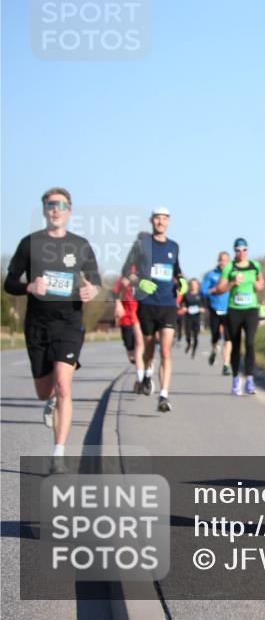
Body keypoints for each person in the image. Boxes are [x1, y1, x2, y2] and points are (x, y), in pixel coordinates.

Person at [3, 188, 102, 473]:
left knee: (64, 385)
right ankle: (50, 404)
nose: (55, 209)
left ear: (69, 210)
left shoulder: (80, 245)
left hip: (69, 322)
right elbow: (9, 282)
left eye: (60, 205)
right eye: (50, 205)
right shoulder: (30, 244)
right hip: (37, 324)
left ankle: (58, 454)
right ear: (45, 209)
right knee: (44, 391)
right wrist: (29, 287)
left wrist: (91, 290)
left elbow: (94, 281)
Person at [122, 207, 187, 413]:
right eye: (157, 218)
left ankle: (164, 396)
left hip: (168, 304)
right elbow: (126, 272)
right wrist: (139, 282)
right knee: (149, 348)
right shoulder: (142, 244)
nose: (161, 222)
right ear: (152, 220)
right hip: (147, 303)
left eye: (164, 218)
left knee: (166, 350)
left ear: (169, 221)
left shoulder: (174, 246)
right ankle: (148, 373)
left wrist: (182, 280)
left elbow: (176, 270)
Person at [217, 238, 264, 396]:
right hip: (234, 310)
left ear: (248, 250)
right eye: (238, 250)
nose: (241, 253)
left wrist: (258, 285)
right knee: (235, 346)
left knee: (250, 343)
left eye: (244, 250)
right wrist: (232, 283)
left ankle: (250, 379)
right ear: (234, 251)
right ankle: (236, 378)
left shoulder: (255, 265)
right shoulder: (229, 267)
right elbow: (220, 289)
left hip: (251, 309)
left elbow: (261, 283)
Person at [112, 267, 147, 391]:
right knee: (131, 352)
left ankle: (142, 379)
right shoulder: (123, 279)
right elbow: (114, 292)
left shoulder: (145, 277)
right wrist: (118, 304)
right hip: (126, 319)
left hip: (140, 317)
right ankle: (140, 369)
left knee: (140, 347)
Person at [202, 251, 233, 375]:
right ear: (218, 261)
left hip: (229, 309)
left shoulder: (232, 275)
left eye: (226, 260)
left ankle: (226, 364)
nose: (223, 262)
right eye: (221, 260)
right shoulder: (211, 275)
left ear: (229, 262)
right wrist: (213, 290)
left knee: (228, 337)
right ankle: (214, 350)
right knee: (215, 336)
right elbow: (203, 291)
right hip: (215, 308)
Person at [179, 278, 202, 358]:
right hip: (188, 317)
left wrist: (202, 309)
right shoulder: (186, 295)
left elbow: (205, 306)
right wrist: (183, 308)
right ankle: (189, 344)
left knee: (195, 336)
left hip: (197, 317)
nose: (193, 286)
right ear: (190, 285)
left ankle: (194, 351)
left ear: (198, 285)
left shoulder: (200, 295)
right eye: (192, 284)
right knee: (188, 333)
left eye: (195, 284)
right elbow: (181, 304)